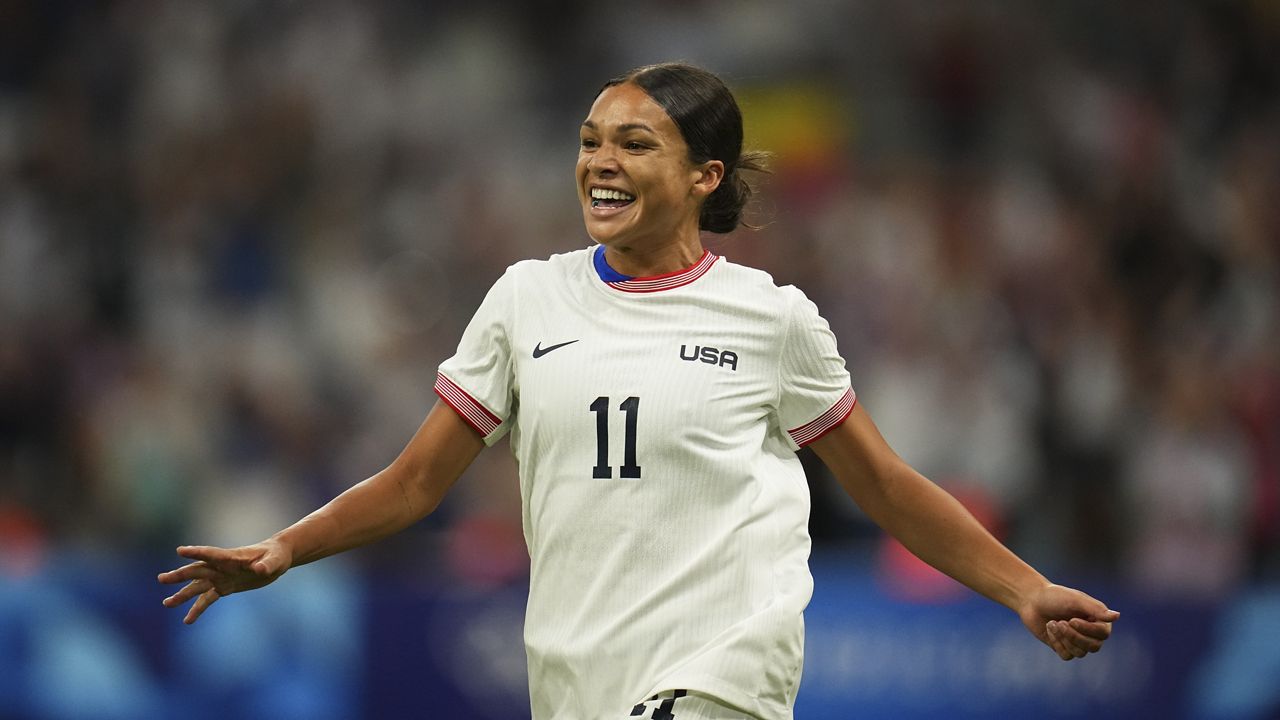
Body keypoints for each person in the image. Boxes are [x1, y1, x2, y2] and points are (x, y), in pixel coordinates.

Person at [158, 62, 1120, 719]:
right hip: (576, 678)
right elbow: (414, 484)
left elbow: (884, 485)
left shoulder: (772, 319)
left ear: (705, 176)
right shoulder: (528, 298)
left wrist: (1025, 592)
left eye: (633, 143)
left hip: (720, 677)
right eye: (588, 140)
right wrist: (286, 548)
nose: (599, 162)